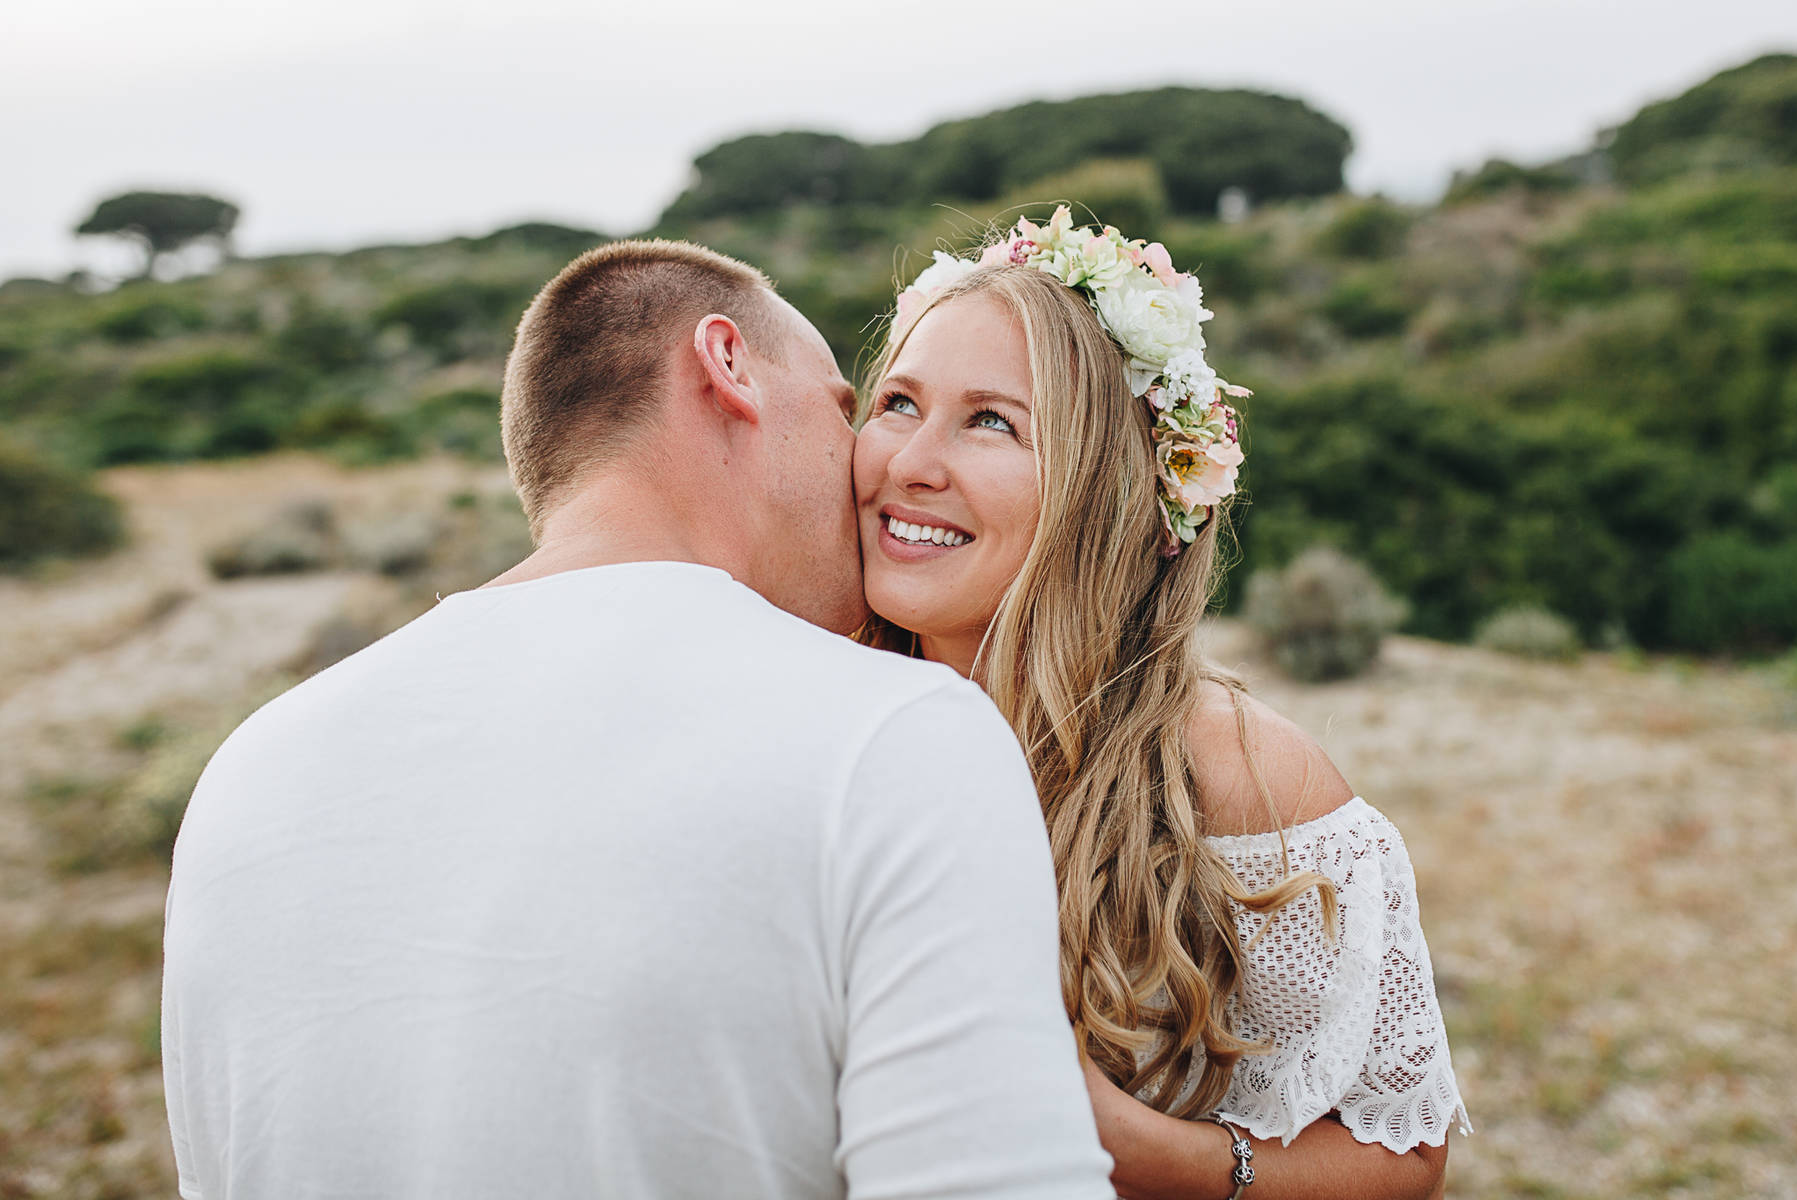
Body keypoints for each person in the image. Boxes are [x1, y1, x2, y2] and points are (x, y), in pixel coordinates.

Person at [160, 239, 1115, 1200]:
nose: (872, 468)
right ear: (727, 365)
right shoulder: (899, 736)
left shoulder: (250, 769)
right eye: (846, 408)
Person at [854, 209, 1471, 1200]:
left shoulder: (1238, 776)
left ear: (1105, 487)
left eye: (991, 421)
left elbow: (1400, 1155)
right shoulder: (819, 708)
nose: (910, 464)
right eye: (896, 402)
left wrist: (1131, 1144)